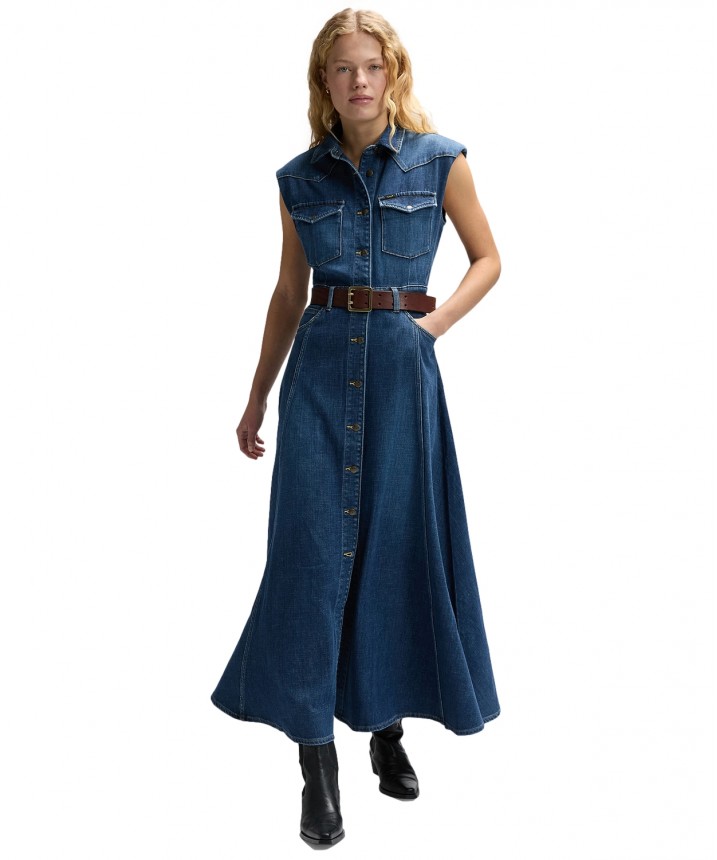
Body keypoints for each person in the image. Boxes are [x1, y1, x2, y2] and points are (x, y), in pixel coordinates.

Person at [211, 7, 502, 849]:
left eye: (372, 66)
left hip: (402, 377)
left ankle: (384, 726)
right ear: (324, 82)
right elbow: (286, 293)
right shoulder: (298, 179)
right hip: (317, 374)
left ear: (393, 73)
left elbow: (488, 258)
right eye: (343, 68)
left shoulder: (440, 160)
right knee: (308, 559)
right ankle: (317, 764)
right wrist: (256, 395)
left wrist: (429, 328)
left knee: (392, 550)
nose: (359, 81)